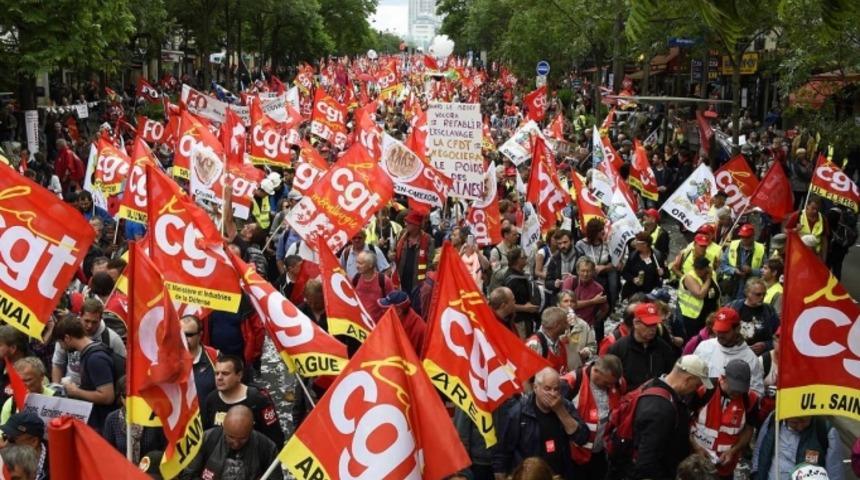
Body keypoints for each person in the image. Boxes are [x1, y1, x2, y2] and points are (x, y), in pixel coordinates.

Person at [609, 355, 712, 480]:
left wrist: (693, 446)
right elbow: (646, 461)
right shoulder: (660, 410)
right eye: (696, 385)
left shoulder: (655, 384)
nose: (695, 390)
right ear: (688, 380)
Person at [493, 367, 589, 479]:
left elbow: (582, 437)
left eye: (556, 389)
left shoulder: (565, 405)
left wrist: (560, 411)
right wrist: (500, 475)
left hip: (558, 474)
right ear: (535, 387)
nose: (553, 394)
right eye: (547, 389)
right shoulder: (519, 412)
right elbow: (503, 450)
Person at [689, 360, 759, 478]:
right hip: (695, 460)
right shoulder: (704, 389)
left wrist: (733, 451)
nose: (737, 393)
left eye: (741, 389)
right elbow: (685, 421)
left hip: (725, 465)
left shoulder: (751, 399)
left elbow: (749, 429)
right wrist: (696, 448)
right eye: (734, 388)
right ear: (723, 377)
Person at [562, 355, 625, 480]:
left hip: (600, 453)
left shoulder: (616, 383)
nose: (609, 387)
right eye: (606, 383)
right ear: (595, 371)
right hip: (575, 455)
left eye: (611, 384)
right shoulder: (572, 382)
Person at [202, 355, 285, 449]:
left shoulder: (257, 399)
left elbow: (275, 437)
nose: (219, 378)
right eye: (216, 373)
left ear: (239, 375)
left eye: (225, 374)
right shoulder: (211, 399)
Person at [181, 405, 282, 480]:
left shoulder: (266, 447)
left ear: (251, 428)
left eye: (242, 438)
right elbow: (188, 475)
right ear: (223, 426)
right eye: (231, 437)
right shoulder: (207, 439)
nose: (236, 443)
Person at [52, 315, 117, 431]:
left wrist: (76, 391)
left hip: (102, 423)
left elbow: (107, 396)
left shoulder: (95, 359)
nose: (61, 347)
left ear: (67, 338)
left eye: (60, 343)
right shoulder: (90, 352)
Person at [693, 306, 765, 396]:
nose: (720, 335)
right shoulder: (704, 347)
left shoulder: (750, 359)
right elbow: (691, 377)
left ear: (737, 329)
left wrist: (735, 393)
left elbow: (757, 394)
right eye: (718, 330)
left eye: (725, 331)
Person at [51, 301, 126, 386]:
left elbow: (123, 369)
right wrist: (56, 388)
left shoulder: (112, 338)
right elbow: (58, 364)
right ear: (80, 316)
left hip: (97, 392)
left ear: (101, 319)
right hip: (70, 389)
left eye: (94, 322)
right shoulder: (67, 332)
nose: (89, 326)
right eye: (86, 321)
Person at [608, 302, 678, 389]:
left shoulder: (664, 349)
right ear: (636, 323)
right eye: (648, 325)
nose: (652, 329)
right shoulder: (618, 348)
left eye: (655, 324)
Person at [752, 414, 844, 480]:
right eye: (794, 422)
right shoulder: (774, 419)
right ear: (785, 417)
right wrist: (755, 474)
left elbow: (835, 472)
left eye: (804, 421)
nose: (800, 427)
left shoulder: (825, 430)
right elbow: (759, 450)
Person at [101, 376, 166, 464]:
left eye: (135, 395)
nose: (131, 400)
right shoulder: (112, 419)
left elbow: (165, 450)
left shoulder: (154, 417)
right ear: (120, 397)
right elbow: (107, 453)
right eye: (126, 396)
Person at [727, 278, 780, 355]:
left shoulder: (769, 310)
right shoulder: (734, 307)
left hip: (761, 356)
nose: (762, 297)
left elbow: (779, 336)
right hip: (736, 354)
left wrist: (766, 345)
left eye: (764, 294)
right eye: (758, 294)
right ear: (747, 293)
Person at [561, 257, 609, 342]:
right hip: (568, 326)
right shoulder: (570, 282)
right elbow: (567, 306)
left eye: (589, 271)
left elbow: (604, 308)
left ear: (593, 272)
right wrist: (592, 301)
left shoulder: (598, 288)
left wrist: (595, 320)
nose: (585, 274)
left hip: (586, 328)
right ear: (578, 271)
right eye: (583, 271)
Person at [575, 219, 618, 307]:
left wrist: (604, 267)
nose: (603, 231)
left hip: (606, 270)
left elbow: (613, 262)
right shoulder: (580, 244)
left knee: (613, 285)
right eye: (600, 230)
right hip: (589, 272)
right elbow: (580, 262)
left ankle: (612, 305)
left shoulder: (607, 242)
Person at [719, 223, 766, 300]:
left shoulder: (761, 249)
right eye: (742, 236)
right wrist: (734, 270)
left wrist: (751, 271)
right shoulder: (733, 245)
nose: (744, 239)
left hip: (751, 289)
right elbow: (722, 264)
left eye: (746, 237)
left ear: (753, 237)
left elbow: (765, 271)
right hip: (732, 286)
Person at [0, 358, 54, 424]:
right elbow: (3, 432)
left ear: (42, 377)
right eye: (18, 381)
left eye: (28, 380)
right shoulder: (11, 404)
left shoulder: (56, 400)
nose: (22, 385)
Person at [394, 210, 435, 295]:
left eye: (408, 223)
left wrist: (425, 284)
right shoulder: (401, 235)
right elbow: (393, 251)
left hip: (418, 284)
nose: (405, 224)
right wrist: (391, 255)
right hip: (401, 281)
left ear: (416, 225)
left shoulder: (428, 240)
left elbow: (430, 264)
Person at [180, 315, 219, 403]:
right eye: (181, 334)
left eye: (189, 335)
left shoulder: (214, 356)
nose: (184, 339)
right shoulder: (169, 358)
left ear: (200, 335)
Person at [678, 257, 718, 341]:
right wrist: (708, 280)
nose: (698, 270)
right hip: (693, 316)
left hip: (709, 314)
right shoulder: (690, 277)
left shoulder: (712, 273)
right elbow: (700, 294)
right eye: (696, 268)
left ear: (707, 268)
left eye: (701, 268)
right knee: (694, 339)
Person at [503, 247, 540, 339]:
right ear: (517, 261)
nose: (526, 258)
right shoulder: (511, 280)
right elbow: (504, 304)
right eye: (523, 257)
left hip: (527, 319)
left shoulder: (521, 275)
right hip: (518, 322)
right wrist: (524, 308)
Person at [377, 290, 426, 357]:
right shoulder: (391, 319)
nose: (383, 311)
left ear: (399, 311)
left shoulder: (418, 329)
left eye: (386, 309)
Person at [557, 291, 597, 370]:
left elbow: (593, 346)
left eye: (572, 301)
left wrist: (587, 351)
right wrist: (560, 341)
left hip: (575, 370)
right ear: (558, 305)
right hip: (555, 370)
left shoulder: (583, 325)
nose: (569, 304)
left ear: (575, 305)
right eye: (566, 301)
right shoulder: (551, 323)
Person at [621, 232, 667, 300]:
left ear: (645, 244)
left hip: (650, 293)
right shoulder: (633, 256)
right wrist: (633, 279)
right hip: (634, 291)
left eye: (637, 241)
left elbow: (666, 275)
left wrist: (662, 273)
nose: (634, 243)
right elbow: (624, 273)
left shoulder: (657, 256)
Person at [352, 250, 393, 321]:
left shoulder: (384, 281)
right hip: (360, 324)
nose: (357, 266)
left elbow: (392, 304)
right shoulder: (356, 278)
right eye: (357, 262)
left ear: (370, 265)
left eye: (361, 263)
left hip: (379, 325)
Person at [525, 307, 568, 373]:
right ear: (556, 325)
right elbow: (526, 377)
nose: (567, 325)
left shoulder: (560, 343)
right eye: (565, 322)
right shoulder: (535, 344)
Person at [544, 229, 577, 298]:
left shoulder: (580, 256)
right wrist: (554, 284)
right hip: (559, 297)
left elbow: (591, 278)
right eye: (559, 243)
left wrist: (575, 279)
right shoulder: (554, 259)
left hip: (577, 296)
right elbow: (547, 282)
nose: (562, 246)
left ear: (572, 241)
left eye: (565, 242)